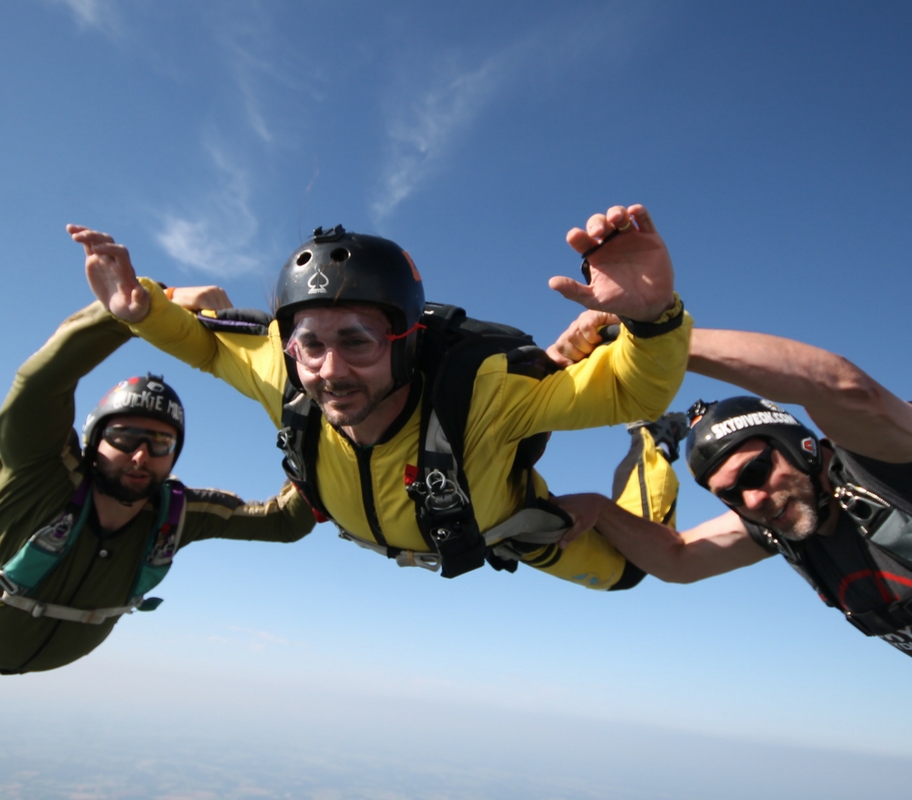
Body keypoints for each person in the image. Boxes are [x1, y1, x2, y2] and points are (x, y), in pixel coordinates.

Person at [69, 204, 693, 590]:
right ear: (288, 342)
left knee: (629, 571)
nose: (330, 371)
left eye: (358, 340)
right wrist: (142, 312)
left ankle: (655, 448)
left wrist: (655, 317)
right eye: (310, 342)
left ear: (405, 340)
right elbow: (209, 347)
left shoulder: (482, 394)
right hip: (428, 525)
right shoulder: (284, 371)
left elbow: (629, 389)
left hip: (506, 528)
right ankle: (574, 358)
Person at [0, 298, 316, 674]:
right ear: (93, 440)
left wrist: (324, 421)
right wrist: (136, 310)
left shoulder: (174, 514)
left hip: (5, 641)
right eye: (124, 437)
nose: (141, 455)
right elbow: (42, 385)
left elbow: (284, 521)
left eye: (161, 444)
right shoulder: (42, 473)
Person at [548, 316, 912, 695]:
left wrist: (650, 339)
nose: (752, 498)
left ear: (802, 445)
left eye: (756, 471)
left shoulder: (896, 472)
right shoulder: (782, 526)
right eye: (730, 494)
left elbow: (836, 384)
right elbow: (678, 559)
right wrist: (599, 509)